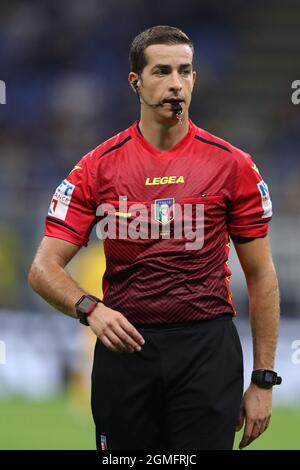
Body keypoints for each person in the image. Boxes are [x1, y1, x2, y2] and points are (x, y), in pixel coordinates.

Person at [28, 25, 281, 450]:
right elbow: (41, 269)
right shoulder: (98, 168)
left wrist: (263, 380)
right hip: (125, 348)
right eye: (162, 71)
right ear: (136, 82)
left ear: (195, 80)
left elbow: (261, 275)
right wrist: (90, 309)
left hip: (207, 352)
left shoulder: (233, 166)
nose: (176, 84)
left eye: (185, 72)